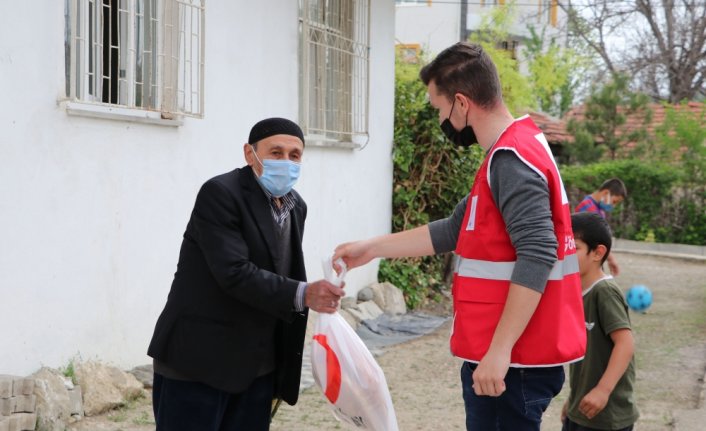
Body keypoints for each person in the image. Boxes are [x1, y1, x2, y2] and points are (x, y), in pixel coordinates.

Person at [333, 42, 586, 430]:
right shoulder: (516, 148)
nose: (441, 120)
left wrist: (500, 352)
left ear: (462, 103)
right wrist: (370, 249)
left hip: (512, 363)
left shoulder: (511, 160)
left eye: (440, 109)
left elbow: (537, 253)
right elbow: (454, 229)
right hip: (509, 358)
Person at [147, 117, 345, 431]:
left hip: (256, 367)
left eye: (294, 155)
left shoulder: (296, 207)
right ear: (249, 154)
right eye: (275, 152)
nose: (286, 162)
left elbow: (279, 269)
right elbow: (233, 272)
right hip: (199, 360)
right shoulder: (221, 194)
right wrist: (304, 293)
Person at [562, 212, 639, 431]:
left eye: (573, 248)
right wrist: (574, 401)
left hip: (607, 416)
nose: (565, 254)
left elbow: (625, 344)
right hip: (582, 409)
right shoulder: (577, 291)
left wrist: (602, 391)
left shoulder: (604, 291)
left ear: (598, 253)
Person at [574, 178, 627, 276]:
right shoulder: (588, 208)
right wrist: (611, 259)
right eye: (615, 201)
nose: (614, 206)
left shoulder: (599, 210)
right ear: (606, 193)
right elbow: (599, 239)